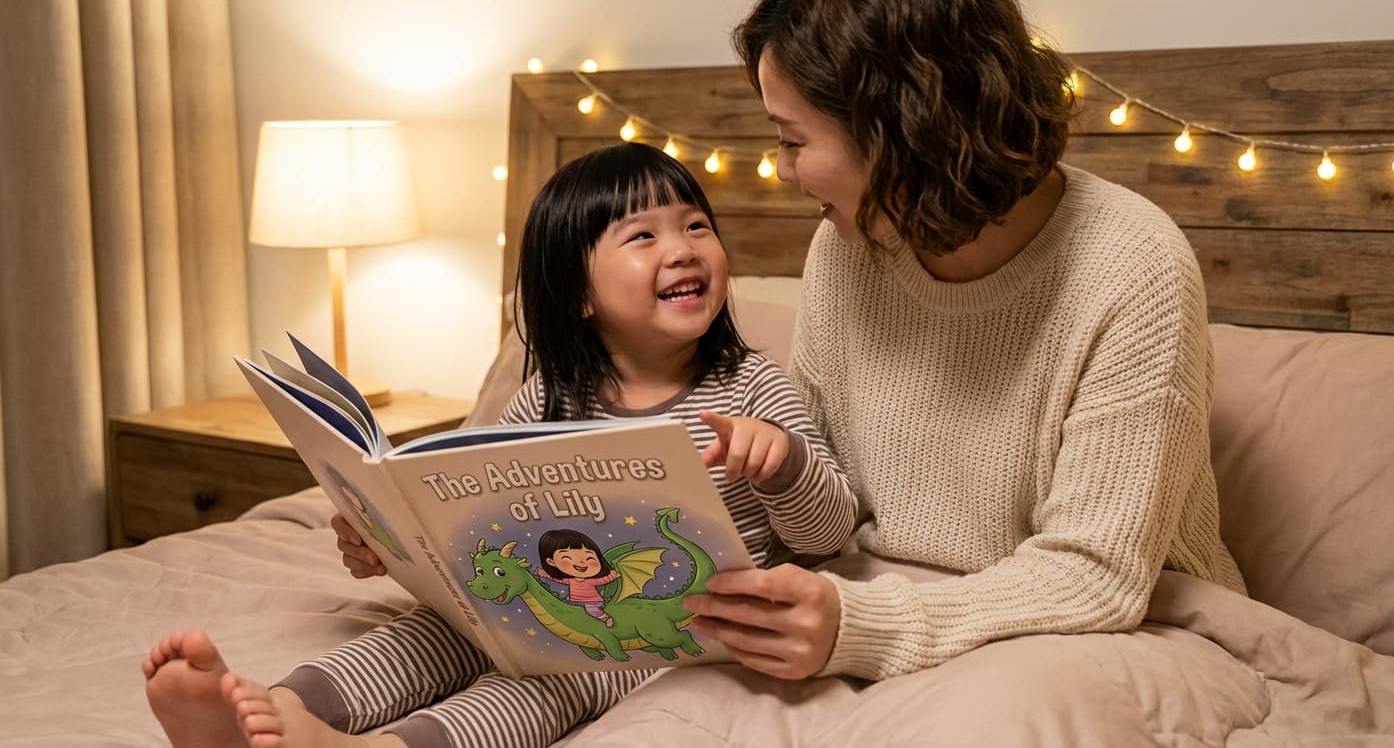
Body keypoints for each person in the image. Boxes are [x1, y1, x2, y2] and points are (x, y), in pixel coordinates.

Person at [585, 0, 1249, 701]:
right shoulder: (845, 245)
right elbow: (818, 494)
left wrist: (859, 624)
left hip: (1108, 629)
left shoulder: (1133, 264)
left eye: (792, 140)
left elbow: (1096, 575)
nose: (781, 170)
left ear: (900, 131)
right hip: (870, 609)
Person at [141, 142, 859, 748]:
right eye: (643, 237)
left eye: (697, 226)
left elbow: (829, 533)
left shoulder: (754, 388)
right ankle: (286, 709)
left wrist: (783, 463)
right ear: (579, 295)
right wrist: (385, 542)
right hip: (529, 600)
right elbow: (461, 530)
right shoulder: (544, 400)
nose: (682, 249)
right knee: (434, 627)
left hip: (653, 628)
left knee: (561, 675)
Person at [535, 529, 620, 626]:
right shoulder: (570, 580)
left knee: (591, 610)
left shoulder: (590, 581)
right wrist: (544, 574)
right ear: (551, 562)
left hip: (592, 601)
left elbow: (603, 580)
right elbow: (557, 579)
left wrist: (613, 575)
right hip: (575, 600)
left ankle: (606, 618)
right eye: (568, 557)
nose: (581, 562)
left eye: (589, 558)